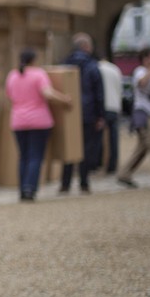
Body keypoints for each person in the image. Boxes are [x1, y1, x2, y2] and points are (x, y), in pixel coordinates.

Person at [5, 48, 71, 202]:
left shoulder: (12, 75)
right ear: (34, 60)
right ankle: (30, 188)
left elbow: (9, 96)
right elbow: (47, 93)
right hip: (39, 121)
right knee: (35, 156)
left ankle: (22, 189)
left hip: (18, 121)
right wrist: (65, 99)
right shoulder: (38, 74)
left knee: (23, 156)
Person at [117, 48, 150, 188]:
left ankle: (124, 174)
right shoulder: (139, 71)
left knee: (143, 148)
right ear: (145, 59)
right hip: (144, 114)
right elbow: (142, 83)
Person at [59, 33, 105, 194]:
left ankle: (65, 184)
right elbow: (99, 93)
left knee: (68, 147)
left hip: (68, 110)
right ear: (86, 47)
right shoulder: (92, 66)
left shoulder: (65, 64)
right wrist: (100, 115)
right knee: (86, 148)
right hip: (88, 112)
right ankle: (84, 183)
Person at [98, 56, 124, 174]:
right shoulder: (115, 69)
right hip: (114, 106)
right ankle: (112, 165)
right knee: (114, 139)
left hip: (103, 106)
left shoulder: (97, 68)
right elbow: (120, 89)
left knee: (99, 137)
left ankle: (98, 163)